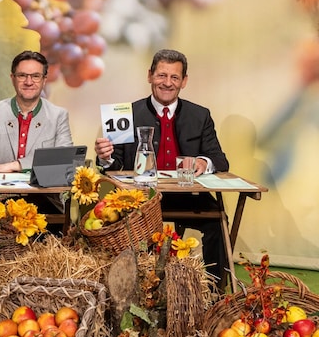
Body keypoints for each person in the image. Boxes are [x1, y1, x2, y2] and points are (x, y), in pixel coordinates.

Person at [93, 48, 230, 287]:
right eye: (161, 76)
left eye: (174, 77)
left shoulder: (200, 115)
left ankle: (215, 291)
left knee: (217, 220)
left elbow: (220, 160)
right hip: (139, 200)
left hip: (188, 196)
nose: (167, 83)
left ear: (184, 81)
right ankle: (126, 288)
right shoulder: (125, 113)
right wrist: (105, 158)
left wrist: (203, 162)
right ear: (150, 76)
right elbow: (113, 167)